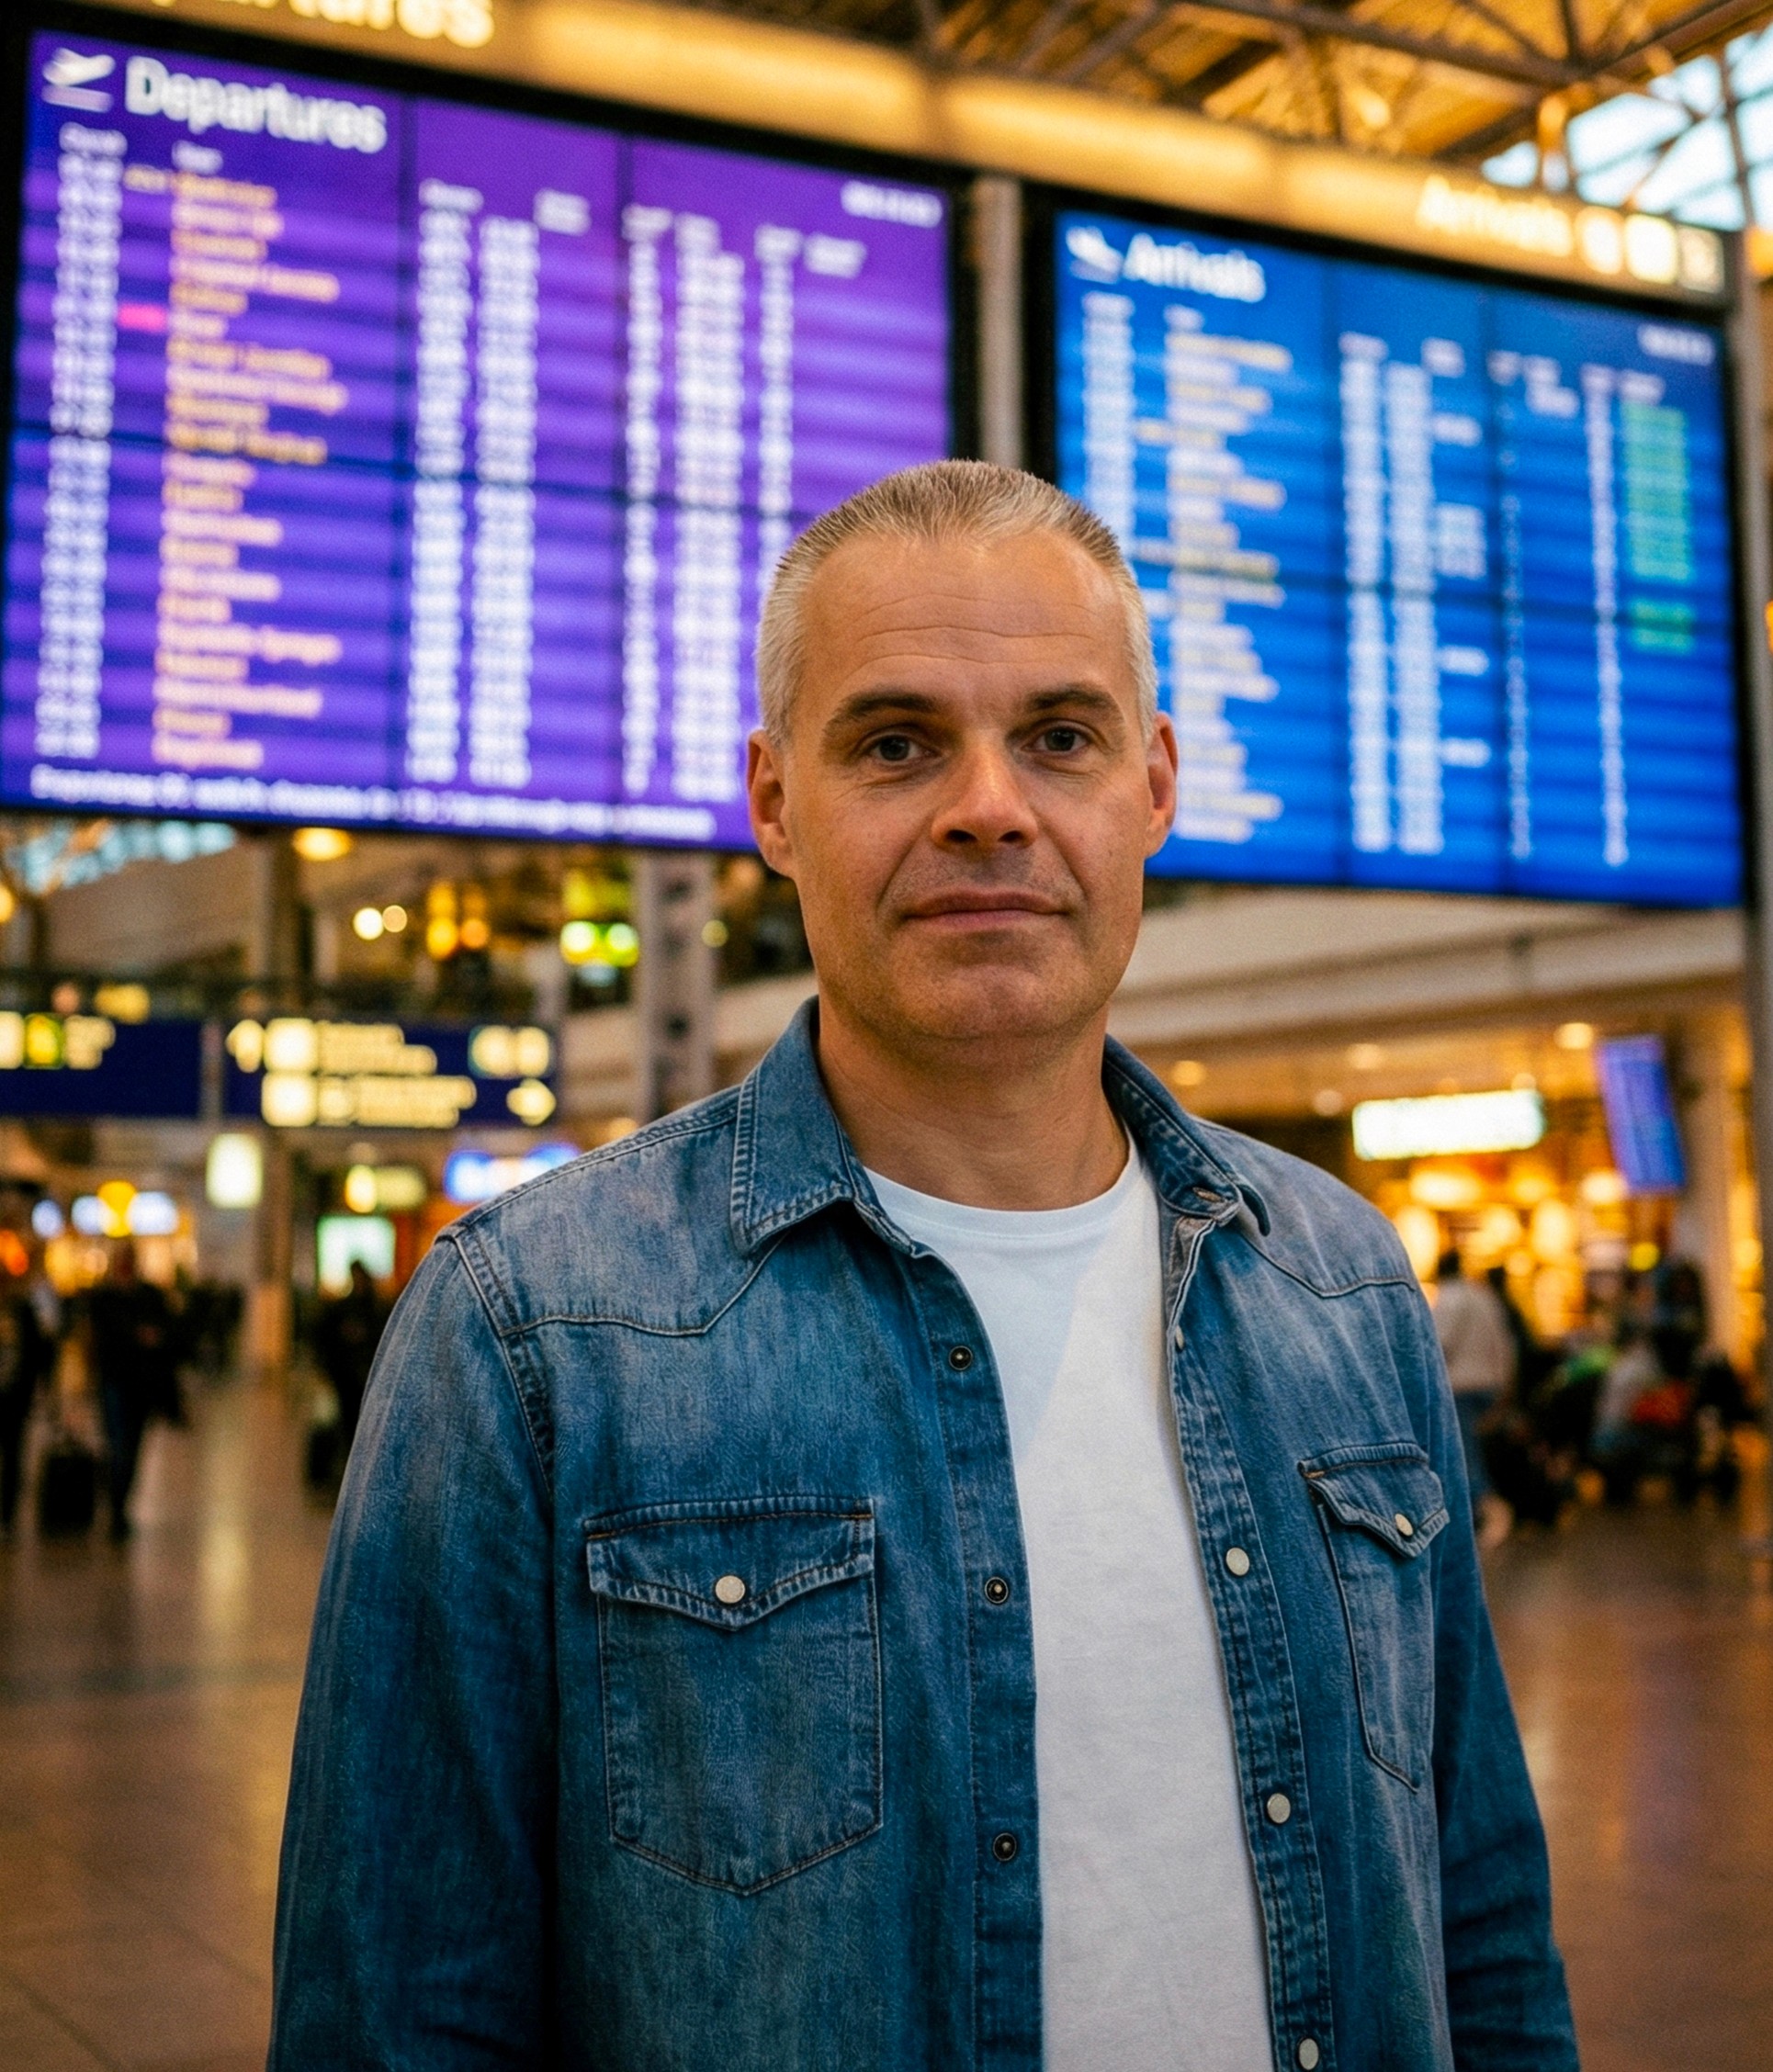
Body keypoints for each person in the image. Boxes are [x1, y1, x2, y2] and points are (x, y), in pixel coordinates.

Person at [271, 463, 1575, 2071]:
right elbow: (400, 2013)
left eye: (1061, 737)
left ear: (1152, 786)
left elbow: (1484, 1926)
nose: (988, 805)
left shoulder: (1338, 1285)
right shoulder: (532, 1334)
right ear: (772, 802)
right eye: (896, 744)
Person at [86, 1240, 174, 1541]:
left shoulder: (149, 1295)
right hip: (114, 1382)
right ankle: (115, 1508)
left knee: (133, 1447)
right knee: (118, 1446)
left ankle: (120, 1505)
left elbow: (166, 1333)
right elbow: (102, 1339)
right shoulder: (103, 1297)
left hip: (141, 1385)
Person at [1431, 1248, 1517, 1540]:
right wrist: (1504, 1385)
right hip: (1489, 1385)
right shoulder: (1484, 1297)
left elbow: (1438, 1344)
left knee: (1464, 1457)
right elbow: (1505, 1345)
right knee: (1475, 1450)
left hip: (1461, 1386)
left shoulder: (1450, 1297)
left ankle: (1482, 1509)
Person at [311, 1260, 389, 1465]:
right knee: (348, 1423)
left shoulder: (374, 1308)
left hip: (365, 1376)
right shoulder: (346, 1308)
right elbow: (326, 1340)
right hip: (347, 1377)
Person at [0, 1257, 50, 1539]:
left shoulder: (23, 1311)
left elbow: (36, 1353)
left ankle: (8, 1517)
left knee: (13, 1455)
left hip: (14, 1396)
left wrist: (38, 1388)